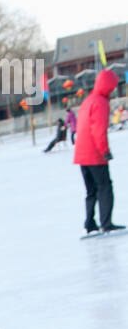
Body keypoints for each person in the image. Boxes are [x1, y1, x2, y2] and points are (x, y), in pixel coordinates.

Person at [73, 68, 124, 234]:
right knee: (105, 187)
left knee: (91, 190)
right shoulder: (101, 103)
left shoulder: (88, 100)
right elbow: (98, 130)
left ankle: (89, 223)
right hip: (94, 153)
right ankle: (106, 223)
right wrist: (105, 151)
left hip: (81, 153)